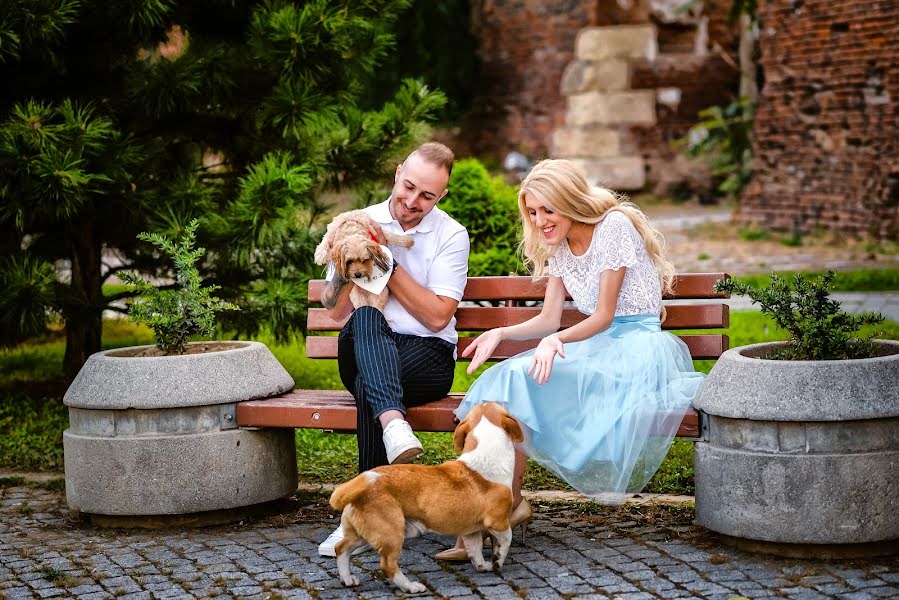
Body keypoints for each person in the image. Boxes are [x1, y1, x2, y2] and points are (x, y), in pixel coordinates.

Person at [435, 159, 704, 561]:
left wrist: (554, 342)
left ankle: (499, 510)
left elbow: (604, 316)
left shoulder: (612, 227)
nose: (540, 221)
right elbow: (548, 319)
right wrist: (501, 333)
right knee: (508, 382)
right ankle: (504, 505)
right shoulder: (557, 245)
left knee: (521, 379)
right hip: (597, 348)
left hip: (636, 350)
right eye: (532, 212)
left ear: (569, 201)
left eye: (548, 209)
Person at [318, 142, 470, 557]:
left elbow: (438, 317)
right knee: (367, 319)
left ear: (442, 196)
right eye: (409, 187)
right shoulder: (359, 221)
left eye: (427, 195)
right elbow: (333, 313)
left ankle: (359, 516)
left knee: (373, 384)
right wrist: (352, 257)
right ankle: (394, 427)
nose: (412, 201)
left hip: (428, 355)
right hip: (366, 343)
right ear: (398, 172)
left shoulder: (451, 235)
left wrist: (385, 260)